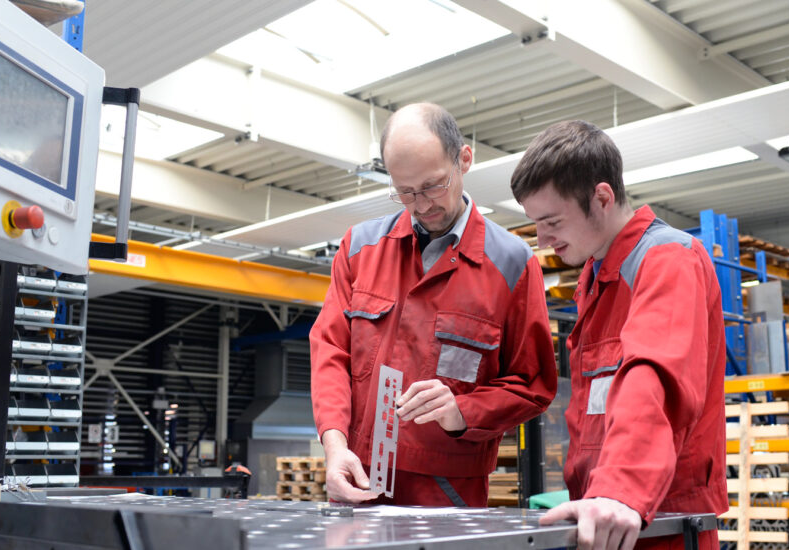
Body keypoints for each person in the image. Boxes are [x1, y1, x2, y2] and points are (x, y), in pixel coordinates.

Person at [310, 102, 558, 507]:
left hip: (448, 490)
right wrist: (334, 445)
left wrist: (462, 411)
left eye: (432, 185)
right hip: (358, 474)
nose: (422, 204)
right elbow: (330, 353)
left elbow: (532, 385)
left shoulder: (512, 263)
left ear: (464, 159)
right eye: (405, 192)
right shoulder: (360, 248)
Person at [510, 120, 728, 550]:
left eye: (552, 220)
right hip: (605, 517)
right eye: (535, 223)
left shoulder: (667, 260)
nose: (542, 238)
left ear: (602, 197)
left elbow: (652, 377)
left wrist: (619, 488)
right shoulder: (594, 278)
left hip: (658, 520)